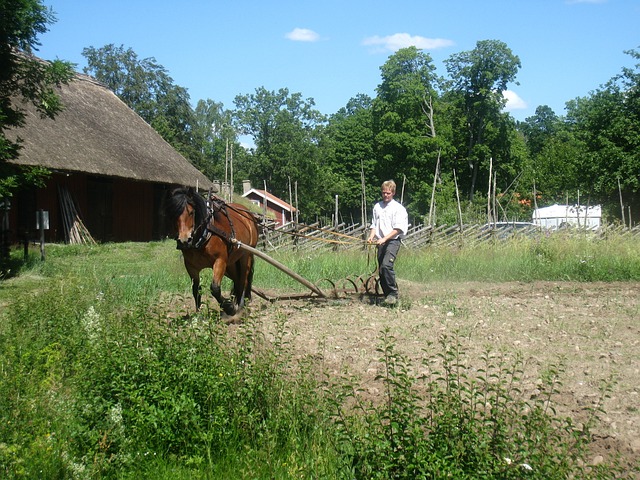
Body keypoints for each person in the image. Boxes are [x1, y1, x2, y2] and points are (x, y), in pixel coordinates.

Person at [367, 180, 408, 305]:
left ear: (393, 193)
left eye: (388, 193)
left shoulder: (398, 209)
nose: (385, 195)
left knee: (386, 266)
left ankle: (392, 294)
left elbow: (398, 229)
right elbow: (374, 225)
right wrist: (371, 237)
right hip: (380, 242)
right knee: (381, 270)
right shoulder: (377, 207)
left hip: (393, 241)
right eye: (384, 193)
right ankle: (386, 295)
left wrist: (384, 239)